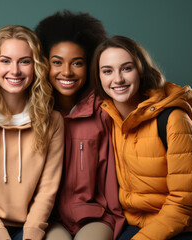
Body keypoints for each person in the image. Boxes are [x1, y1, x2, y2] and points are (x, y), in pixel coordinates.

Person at [91, 35, 192, 240]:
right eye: (107, 71)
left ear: (141, 70)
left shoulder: (174, 120)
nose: (117, 79)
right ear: (99, 77)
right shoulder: (106, 118)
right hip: (131, 223)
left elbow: (183, 204)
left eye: (127, 68)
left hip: (181, 225)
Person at [0, 25, 64, 240]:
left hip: (31, 223)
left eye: (24, 61)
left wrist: (31, 233)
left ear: (35, 67)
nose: (15, 70)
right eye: (5, 61)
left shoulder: (52, 121)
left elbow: (47, 189)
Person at [35, 11, 125, 240]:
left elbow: (112, 177)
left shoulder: (103, 112)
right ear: (44, 63)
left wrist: (115, 219)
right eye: (57, 62)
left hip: (95, 217)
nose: (66, 72)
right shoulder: (36, 113)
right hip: (50, 219)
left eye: (77, 63)